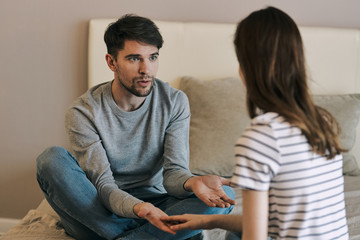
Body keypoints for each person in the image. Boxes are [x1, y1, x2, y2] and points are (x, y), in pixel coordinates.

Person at [36, 14, 235, 240]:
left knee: (223, 197)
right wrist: (139, 209)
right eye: (134, 59)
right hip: (101, 208)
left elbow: (173, 175)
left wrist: (192, 182)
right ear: (112, 62)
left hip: (158, 203)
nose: (146, 69)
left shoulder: (174, 102)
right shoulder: (83, 112)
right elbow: (104, 186)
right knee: (50, 159)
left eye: (152, 57)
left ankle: (129, 236)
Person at [162, 6, 349, 240]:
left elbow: (255, 236)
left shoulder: (263, 136)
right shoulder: (322, 122)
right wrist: (207, 221)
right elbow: (276, 222)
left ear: (245, 67)